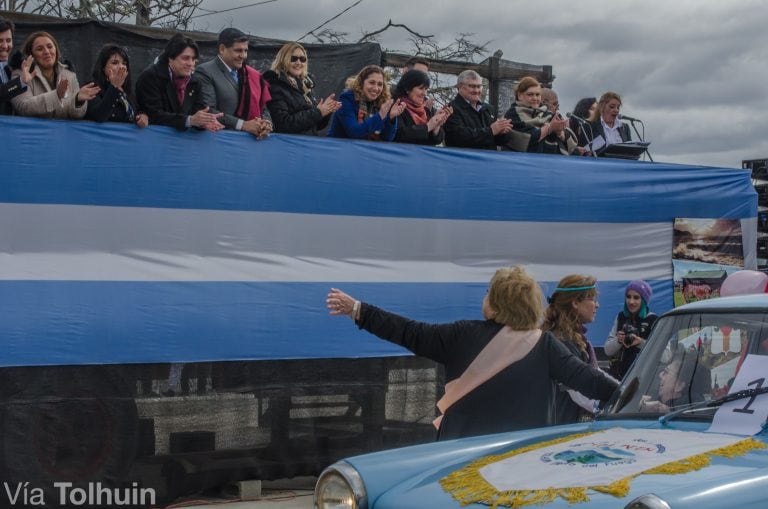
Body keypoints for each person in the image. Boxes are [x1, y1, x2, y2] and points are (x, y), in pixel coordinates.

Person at [325, 266, 618, 440]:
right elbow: (590, 380)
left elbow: (408, 331)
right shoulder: (545, 345)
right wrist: (636, 396)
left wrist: (358, 310)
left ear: (498, 302)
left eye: (489, 292)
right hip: (521, 457)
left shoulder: (461, 335)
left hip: (461, 451)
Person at [542, 274, 610, 424]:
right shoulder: (560, 341)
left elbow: (595, 373)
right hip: (561, 428)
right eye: (592, 299)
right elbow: (580, 390)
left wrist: (627, 390)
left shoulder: (573, 338)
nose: (597, 305)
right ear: (575, 303)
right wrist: (621, 400)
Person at [135, 33, 223, 132]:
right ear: (170, 58)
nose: (190, 63)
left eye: (193, 59)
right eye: (185, 58)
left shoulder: (195, 82)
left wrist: (205, 122)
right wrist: (190, 120)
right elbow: (153, 114)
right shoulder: (150, 77)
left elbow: (198, 112)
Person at [196, 28, 272, 139]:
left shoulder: (253, 75)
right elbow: (209, 111)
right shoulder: (205, 71)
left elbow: (263, 108)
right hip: (218, 141)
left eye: (245, 51)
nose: (243, 56)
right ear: (222, 49)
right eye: (238, 51)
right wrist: (243, 125)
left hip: (252, 143)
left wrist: (266, 123)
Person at [11, 31, 99, 119]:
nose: (46, 51)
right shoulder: (21, 74)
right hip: (32, 132)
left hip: (62, 132)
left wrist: (78, 101)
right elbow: (23, 107)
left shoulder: (69, 75)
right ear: (31, 55)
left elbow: (77, 116)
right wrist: (56, 95)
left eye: (50, 46)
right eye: (39, 49)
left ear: (56, 49)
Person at [262, 41, 340, 135]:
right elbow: (283, 124)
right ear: (283, 59)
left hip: (307, 144)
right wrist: (318, 112)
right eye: (293, 58)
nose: (298, 62)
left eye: (302, 59)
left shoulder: (305, 85)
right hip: (288, 146)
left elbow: (316, 126)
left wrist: (326, 111)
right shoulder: (275, 85)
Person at [327, 64, 405, 141]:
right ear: (361, 83)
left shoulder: (382, 102)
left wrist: (391, 118)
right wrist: (379, 116)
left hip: (366, 151)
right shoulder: (347, 98)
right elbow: (354, 133)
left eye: (380, 84)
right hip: (340, 149)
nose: (376, 88)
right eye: (372, 82)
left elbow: (387, 139)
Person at [503, 77, 577, 155]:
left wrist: (560, 133)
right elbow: (523, 140)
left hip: (556, 162)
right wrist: (549, 128)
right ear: (520, 96)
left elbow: (572, 144)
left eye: (537, 95)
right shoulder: (513, 115)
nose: (535, 98)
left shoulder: (549, 114)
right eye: (530, 94)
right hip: (527, 163)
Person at [443, 70, 515, 150]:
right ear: (460, 87)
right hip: (464, 159)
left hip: (488, 159)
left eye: (479, 86)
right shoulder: (451, 108)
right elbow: (457, 137)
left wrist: (502, 132)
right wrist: (491, 131)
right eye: (472, 86)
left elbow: (498, 141)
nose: (477, 90)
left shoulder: (488, 109)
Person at [604, 280, 658, 380]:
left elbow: (666, 355)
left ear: (644, 300)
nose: (631, 301)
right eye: (628, 297)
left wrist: (641, 343)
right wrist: (618, 340)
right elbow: (607, 351)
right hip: (618, 378)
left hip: (642, 379)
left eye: (636, 297)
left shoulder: (653, 320)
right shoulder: (621, 317)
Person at [85, 44, 148, 127]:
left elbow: (137, 111)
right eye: (115, 63)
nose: (121, 67)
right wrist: (114, 87)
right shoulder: (92, 87)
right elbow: (99, 116)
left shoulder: (127, 91)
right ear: (103, 67)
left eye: (124, 63)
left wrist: (143, 116)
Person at [391, 70, 452, 145]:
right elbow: (399, 135)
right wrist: (428, 126)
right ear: (407, 88)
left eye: (426, 89)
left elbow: (436, 141)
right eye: (420, 88)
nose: (424, 93)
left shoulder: (425, 110)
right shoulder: (396, 106)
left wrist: (436, 126)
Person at [0, 17, 24, 115]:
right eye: (0, 40)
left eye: (8, 40)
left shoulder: (8, 69)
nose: (5, 46)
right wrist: (20, 82)